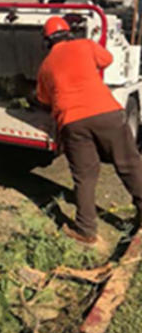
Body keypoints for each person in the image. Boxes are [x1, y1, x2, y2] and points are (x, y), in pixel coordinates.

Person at [35, 16, 142, 244]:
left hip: (72, 122)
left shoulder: (45, 66)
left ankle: (86, 230)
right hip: (106, 114)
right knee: (128, 164)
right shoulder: (84, 45)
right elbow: (108, 59)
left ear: (47, 41)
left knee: (84, 177)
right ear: (68, 33)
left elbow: (43, 99)